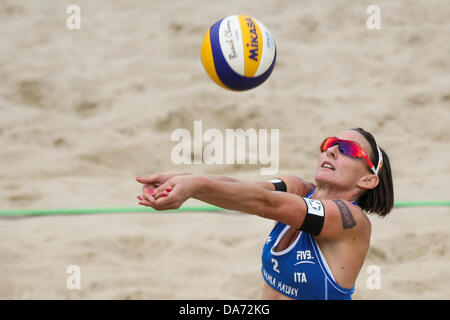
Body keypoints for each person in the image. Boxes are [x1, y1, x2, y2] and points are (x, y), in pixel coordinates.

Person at [136, 127, 394, 300]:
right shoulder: (297, 189)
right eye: (330, 144)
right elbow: (243, 190)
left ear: (368, 180)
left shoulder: (350, 221)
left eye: (348, 149)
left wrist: (196, 187)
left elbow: (266, 203)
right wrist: (186, 179)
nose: (332, 150)